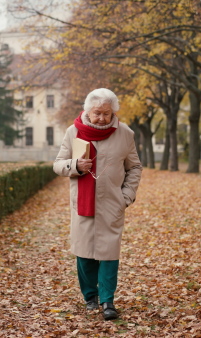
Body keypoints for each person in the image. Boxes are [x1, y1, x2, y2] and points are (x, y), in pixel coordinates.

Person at [53, 88, 142, 320]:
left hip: (112, 204)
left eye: (106, 113)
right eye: (97, 113)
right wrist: (74, 165)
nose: (102, 118)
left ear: (113, 112)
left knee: (109, 253)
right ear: (87, 111)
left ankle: (107, 301)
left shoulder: (125, 134)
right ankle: (90, 297)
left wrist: (127, 196)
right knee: (84, 253)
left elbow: (134, 167)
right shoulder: (73, 131)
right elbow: (58, 164)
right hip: (82, 203)